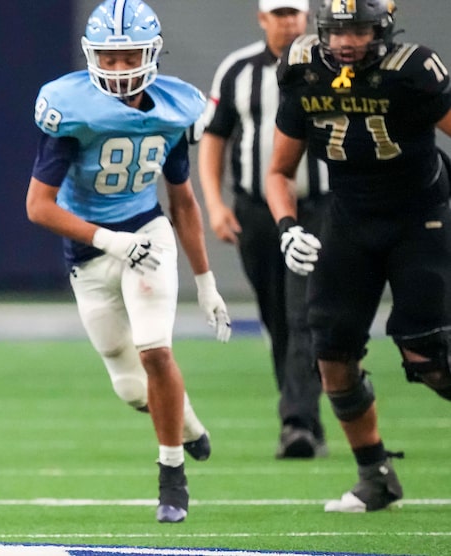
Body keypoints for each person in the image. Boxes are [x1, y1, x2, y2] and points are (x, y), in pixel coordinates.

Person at [26, 0, 232, 523]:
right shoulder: (71, 107)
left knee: (155, 351)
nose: (119, 69)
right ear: (93, 56)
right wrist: (110, 243)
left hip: (147, 233)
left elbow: (182, 200)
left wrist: (206, 281)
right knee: (128, 385)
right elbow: (39, 207)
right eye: (110, 58)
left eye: (129, 56)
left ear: (152, 54)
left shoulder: (176, 108)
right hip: (89, 248)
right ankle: (185, 420)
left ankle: (172, 476)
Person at [266, 0, 451, 512]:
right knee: (332, 356)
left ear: (383, 29)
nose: (348, 42)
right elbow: (279, 171)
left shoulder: (413, 72)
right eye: (337, 30)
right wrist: (286, 227)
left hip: (420, 217)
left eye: (361, 30)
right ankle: (376, 476)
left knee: (429, 357)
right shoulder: (303, 70)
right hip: (348, 217)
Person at [199, 0, 330, 459]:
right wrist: (215, 204)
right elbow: (214, 137)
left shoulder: (331, 64)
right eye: (279, 14)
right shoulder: (238, 69)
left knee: (303, 314)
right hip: (256, 209)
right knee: (278, 317)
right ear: (263, 19)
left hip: (318, 206)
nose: (288, 21)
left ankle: (296, 422)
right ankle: (305, 417)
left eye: (294, 13)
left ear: (307, 16)